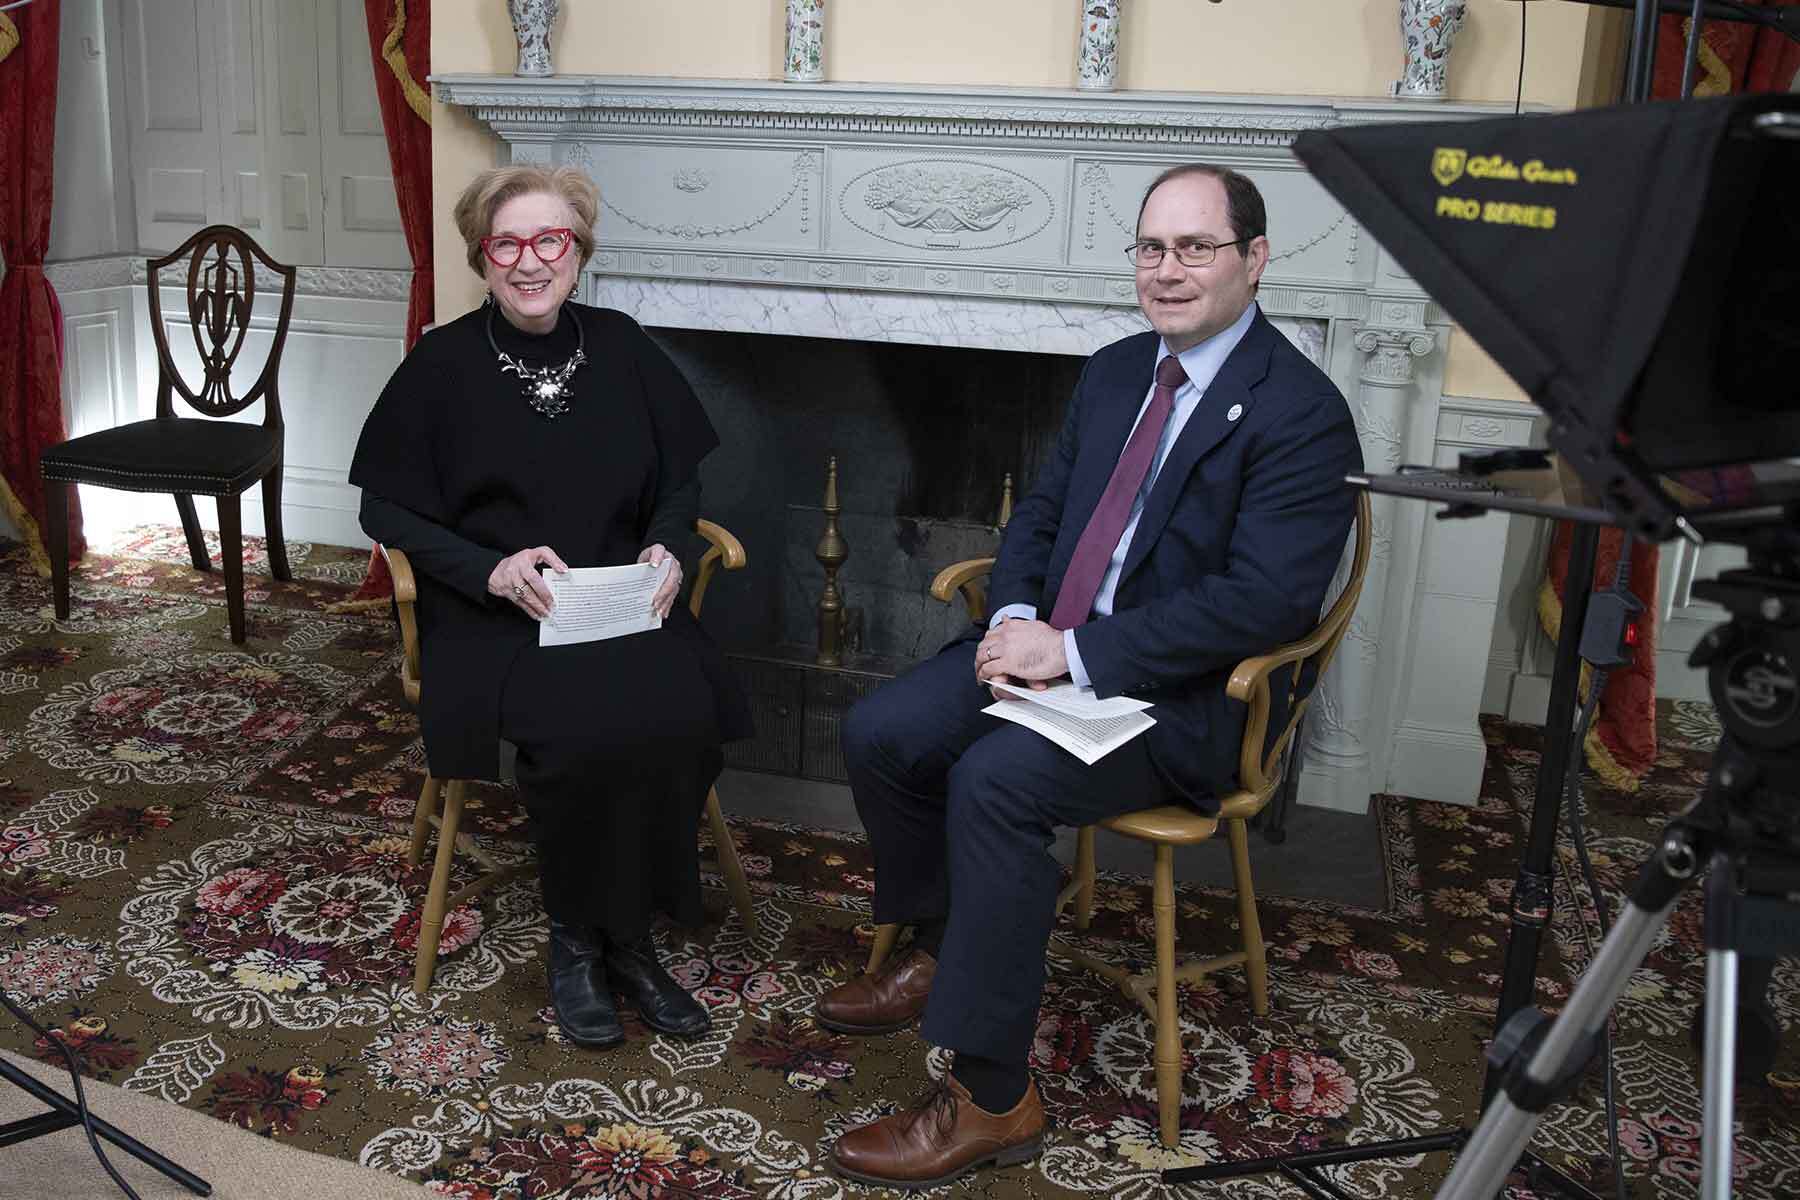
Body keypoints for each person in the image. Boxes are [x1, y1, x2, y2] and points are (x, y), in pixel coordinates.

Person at [817, 164, 1364, 1188]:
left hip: (1180, 699)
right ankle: (941, 946)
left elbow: (1263, 606)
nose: (1167, 270)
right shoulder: (1118, 370)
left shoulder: (1302, 412)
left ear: (1254, 258)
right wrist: (1017, 613)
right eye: (1151, 248)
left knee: (994, 784)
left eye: (1194, 248)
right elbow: (1043, 510)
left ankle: (992, 1098)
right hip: (1053, 653)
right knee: (884, 728)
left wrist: (1069, 654)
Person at [349, 164, 751, 1049]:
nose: (531, 262)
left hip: (613, 600)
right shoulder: (442, 363)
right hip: (496, 615)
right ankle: (581, 941)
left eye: (551, 241)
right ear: (482, 257)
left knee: (684, 711)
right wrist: (490, 569)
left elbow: (678, 483)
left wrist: (668, 546)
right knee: (579, 730)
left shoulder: (622, 344)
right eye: (508, 244)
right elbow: (384, 510)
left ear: (579, 253)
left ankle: (632, 938)